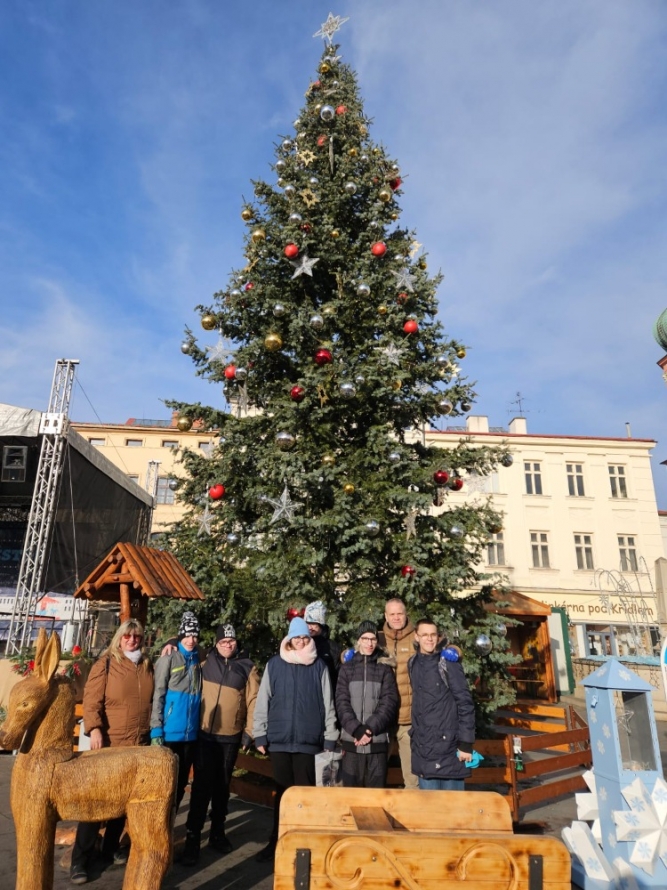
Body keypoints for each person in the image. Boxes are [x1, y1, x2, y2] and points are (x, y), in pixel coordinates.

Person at [70, 619, 155, 885]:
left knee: (122, 802)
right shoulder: (105, 664)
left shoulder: (146, 665)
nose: (132, 640)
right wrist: (94, 729)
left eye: (137, 636)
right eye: (127, 636)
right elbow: (91, 701)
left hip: (137, 744)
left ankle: (109, 849)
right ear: (119, 638)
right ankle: (79, 860)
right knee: (95, 803)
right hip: (110, 742)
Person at [253, 616, 338, 863]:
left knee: (304, 796)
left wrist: (330, 736)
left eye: (304, 637)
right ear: (289, 639)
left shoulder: (319, 666)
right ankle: (277, 842)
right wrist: (260, 733)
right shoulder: (275, 664)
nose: (300, 641)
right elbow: (263, 700)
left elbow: (328, 703)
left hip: (308, 741)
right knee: (282, 795)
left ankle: (303, 846)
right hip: (279, 741)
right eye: (296, 637)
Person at [181, 624, 259, 866]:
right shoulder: (205, 661)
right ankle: (192, 839)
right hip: (205, 735)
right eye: (223, 641)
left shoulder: (247, 666)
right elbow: (183, 646)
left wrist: (249, 732)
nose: (227, 644)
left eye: (231, 641)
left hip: (230, 736)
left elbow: (254, 700)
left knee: (222, 786)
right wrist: (170, 645)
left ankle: (217, 832)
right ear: (216, 643)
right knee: (200, 787)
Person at [409, 618, 475, 790]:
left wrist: (465, 743)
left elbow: (465, 703)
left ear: (438, 637)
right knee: (429, 806)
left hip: (449, 750)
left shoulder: (447, 664)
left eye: (433, 635)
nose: (429, 639)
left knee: (453, 805)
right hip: (424, 750)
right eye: (424, 635)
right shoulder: (413, 663)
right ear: (416, 637)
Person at [335, 620, 399, 787]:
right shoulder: (347, 669)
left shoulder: (384, 669)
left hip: (376, 741)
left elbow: (389, 702)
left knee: (376, 794)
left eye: (373, 639)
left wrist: (369, 728)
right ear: (359, 640)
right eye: (365, 639)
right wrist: (357, 729)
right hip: (352, 742)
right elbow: (341, 702)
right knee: (351, 794)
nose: (369, 643)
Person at [150, 611, 202, 809]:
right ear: (180, 635)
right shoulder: (169, 658)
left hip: (190, 735)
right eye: (187, 635)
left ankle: (171, 821)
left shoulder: (197, 659)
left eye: (195, 635)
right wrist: (156, 729)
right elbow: (158, 694)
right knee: (163, 783)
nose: (191, 640)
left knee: (180, 784)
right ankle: (156, 822)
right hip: (170, 732)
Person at [376, 597, 418, 788]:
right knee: (375, 775)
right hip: (383, 719)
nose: (396, 617)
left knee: (412, 778)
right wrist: (346, 656)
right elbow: (356, 651)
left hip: (407, 718)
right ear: (385, 616)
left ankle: (412, 806)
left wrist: (454, 651)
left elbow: (439, 643)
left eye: (399, 613)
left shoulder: (416, 637)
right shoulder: (377, 639)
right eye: (392, 614)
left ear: (405, 614)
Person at [303, 599, 341, 689]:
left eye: (313, 624)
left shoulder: (332, 647)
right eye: (307, 623)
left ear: (321, 624)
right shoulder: (300, 643)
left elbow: (337, 677)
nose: (309, 627)